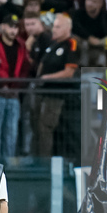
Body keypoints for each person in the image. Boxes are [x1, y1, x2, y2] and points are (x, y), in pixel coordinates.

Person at [0, 13, 31, 161]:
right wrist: (3, 84)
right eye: (11, 26)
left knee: (11, 133)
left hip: (13, 95)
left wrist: (15, 87)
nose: (13, 30)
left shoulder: (21, 46)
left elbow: (25, 69)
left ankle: (9, 167)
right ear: (3, 27)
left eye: (16, 27)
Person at [31, 14, 79, 157]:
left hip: (56, 94)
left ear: (67, 29)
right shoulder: (52, 44)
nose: (54, 29)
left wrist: (46, 77)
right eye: (54, 26)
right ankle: (36, 158)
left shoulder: (71, 44)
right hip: (42, 92)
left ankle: (45, 163)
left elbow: (69, 72)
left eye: (58, 27)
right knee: (36, 127)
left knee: (46, 127)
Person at [71, 0, 106, 67]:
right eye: (88, 0)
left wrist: (98, 42)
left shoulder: (105, 17)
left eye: (94, 1)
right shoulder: (78, 14)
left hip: (99, 47)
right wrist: (89, 38)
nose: (89, 4)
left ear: (100, 3)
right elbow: (75, 28)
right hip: (82, 47)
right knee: (82, 44)